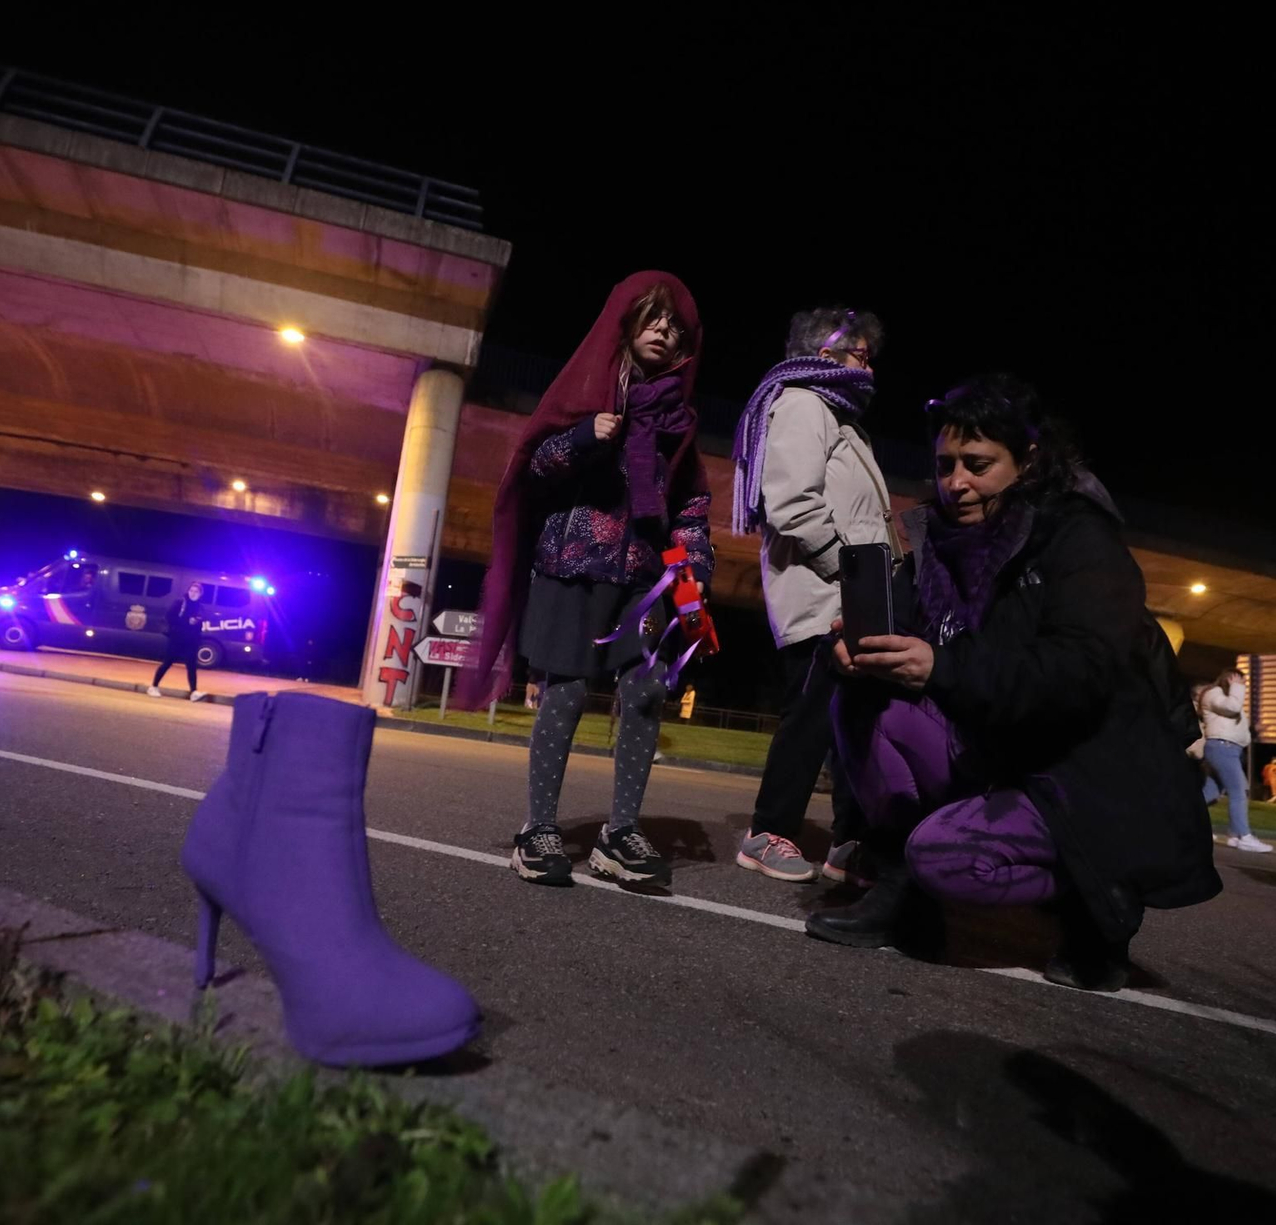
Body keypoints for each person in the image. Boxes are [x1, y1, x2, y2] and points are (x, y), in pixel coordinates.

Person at [804, 376, 1220, 990]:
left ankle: (1095, 893)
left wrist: (941, 668)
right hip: (996, 743)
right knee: (862, 696)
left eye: (977, 464)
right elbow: (918, 641)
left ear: (1027, 461)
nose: (955, 482)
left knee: (945, 859)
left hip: (1084, 768)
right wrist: (856, 648)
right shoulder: (936, 543)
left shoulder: (1079, 538)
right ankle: (899, 892)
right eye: (945, 465)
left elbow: (1079, 675)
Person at [465, 271, 713, 890]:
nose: (664, 330)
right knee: (568, 693)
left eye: (675, 324)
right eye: (654, 317)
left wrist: (695, 569)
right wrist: (582, 437)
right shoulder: (586, 388)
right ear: (626, 321)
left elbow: (689, 503)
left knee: (648, 691)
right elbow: (533, 468)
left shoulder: (676, 419)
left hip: (644, 578)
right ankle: (538, 830)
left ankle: (620, 832)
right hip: (573, 563)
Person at [730, 307, 895, 884]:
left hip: (850, 596)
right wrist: (851, 574)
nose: (869, 366)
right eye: (860, 354)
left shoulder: (840, 420)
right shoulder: (803, 404)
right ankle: (767, 832)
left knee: (854, 720)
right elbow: (793, 503)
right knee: (813, 716)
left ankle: (849, 842)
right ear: (827, 357)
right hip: (824, 594)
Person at [1199, 667, 1271, 852]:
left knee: (1210, 792)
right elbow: (1232, 708)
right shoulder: (1213, 694)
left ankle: (1179, 821)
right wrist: (1237, 689)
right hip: (1222, 748)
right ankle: (1243, 836)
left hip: (1229, 749)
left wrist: (1254, 730)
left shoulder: (1229, 697)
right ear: (1229, 678)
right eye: (1240, 680)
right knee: (1239, 791)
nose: (1243, 685)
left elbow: (1233, 725)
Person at [147, 581, 210, 702]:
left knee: (191, 666)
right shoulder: (180, 603)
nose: (193, 593)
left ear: (200, 594)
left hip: (191, 641)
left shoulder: (200, 607)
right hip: (176, 638)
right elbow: (169, 617)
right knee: (167, 663)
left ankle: (194, 692)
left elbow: (200, 624)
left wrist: (196, 623)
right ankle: (153, 686)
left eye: (196, 591)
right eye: (191, 590)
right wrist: (187, 621)